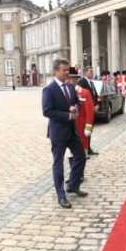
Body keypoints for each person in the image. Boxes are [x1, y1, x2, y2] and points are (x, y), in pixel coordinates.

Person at [42, 59, 88, 209]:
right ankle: (61, 195)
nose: (67, 73)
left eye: (68, 70)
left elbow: (76, 103)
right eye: (64, 70)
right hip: (58, 133)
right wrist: (67, 115)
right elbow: (47, 111)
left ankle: (73, 185)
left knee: (81, 156)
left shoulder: (70, 86)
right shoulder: (49, 89)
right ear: (56, 71)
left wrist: (75, 108)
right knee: (58, 164)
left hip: (72, 131)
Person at [78, 67, 99, 156]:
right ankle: (83, 150)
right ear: (85, 72)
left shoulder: (91, 82)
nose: (92, 73)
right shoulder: (82, 82)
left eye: (92, 71)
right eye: (91, 71)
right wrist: (90, 107)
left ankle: (88, 148)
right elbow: (81, 97)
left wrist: (97, 104)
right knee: (84, 131)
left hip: (93, 109)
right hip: (85, 111)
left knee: (89, 130)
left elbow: (95, 94)